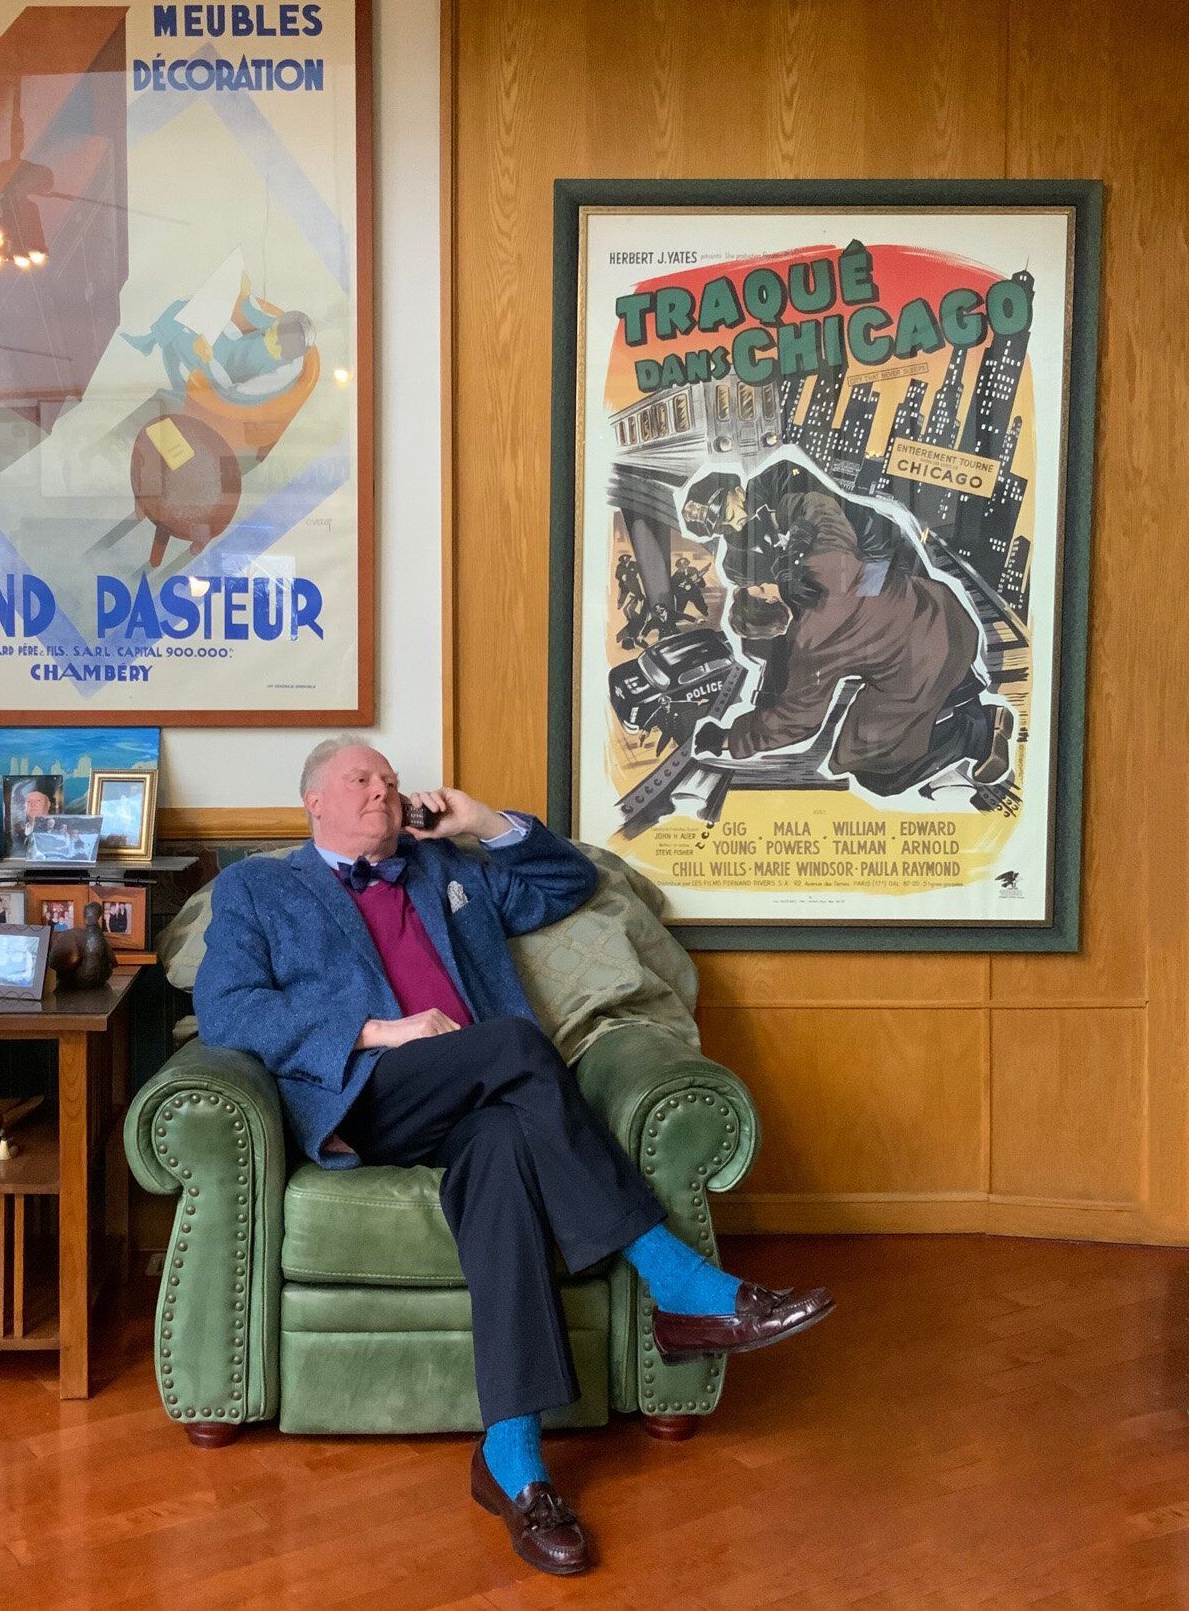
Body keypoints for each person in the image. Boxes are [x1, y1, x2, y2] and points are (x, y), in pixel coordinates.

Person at [194, 737, 834, 1576]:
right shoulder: (259, 887)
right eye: (361, 780)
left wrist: (484, 821)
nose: (383, 790)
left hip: (478, 1101)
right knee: (519, 1047)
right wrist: (382, 1030)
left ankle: (514, 1462)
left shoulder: (443, 865)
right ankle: (679, 1284)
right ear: (313, 801)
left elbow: (568, 884)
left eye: (389, 779)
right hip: (368, 1092)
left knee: (501, 1157)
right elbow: (227, 1011)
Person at [683, 458, 1012, 794]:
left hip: (877, 556)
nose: (734, 522)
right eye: (723, 525)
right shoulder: (737, 561)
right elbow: (770, 621)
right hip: (839, 586)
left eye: (728, 510)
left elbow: (839, 517)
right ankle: (946, 693)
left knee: (893, 629)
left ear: (735, 488)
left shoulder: (779, 479)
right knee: (879, 636)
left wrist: (803, 548)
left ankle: (964, 709)